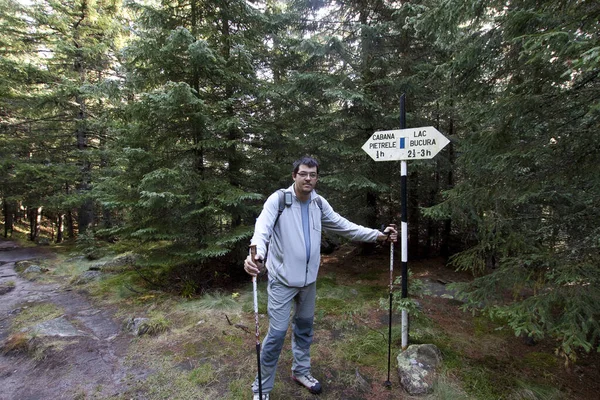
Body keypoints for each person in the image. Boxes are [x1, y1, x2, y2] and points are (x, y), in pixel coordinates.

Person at [244, 156, 398, 400]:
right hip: (282, 282)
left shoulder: (318, 203)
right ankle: (261, 388)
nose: (308, 178)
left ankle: (301, 371)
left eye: (313, 174)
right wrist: (256, 255)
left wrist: (378, 236)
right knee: (276, 334)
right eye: (303, 173)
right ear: (294, 175)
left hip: (308, 283)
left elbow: (344, 226)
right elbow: (261, 229)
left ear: (317, 178)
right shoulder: (279, 200)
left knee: (305, 328)